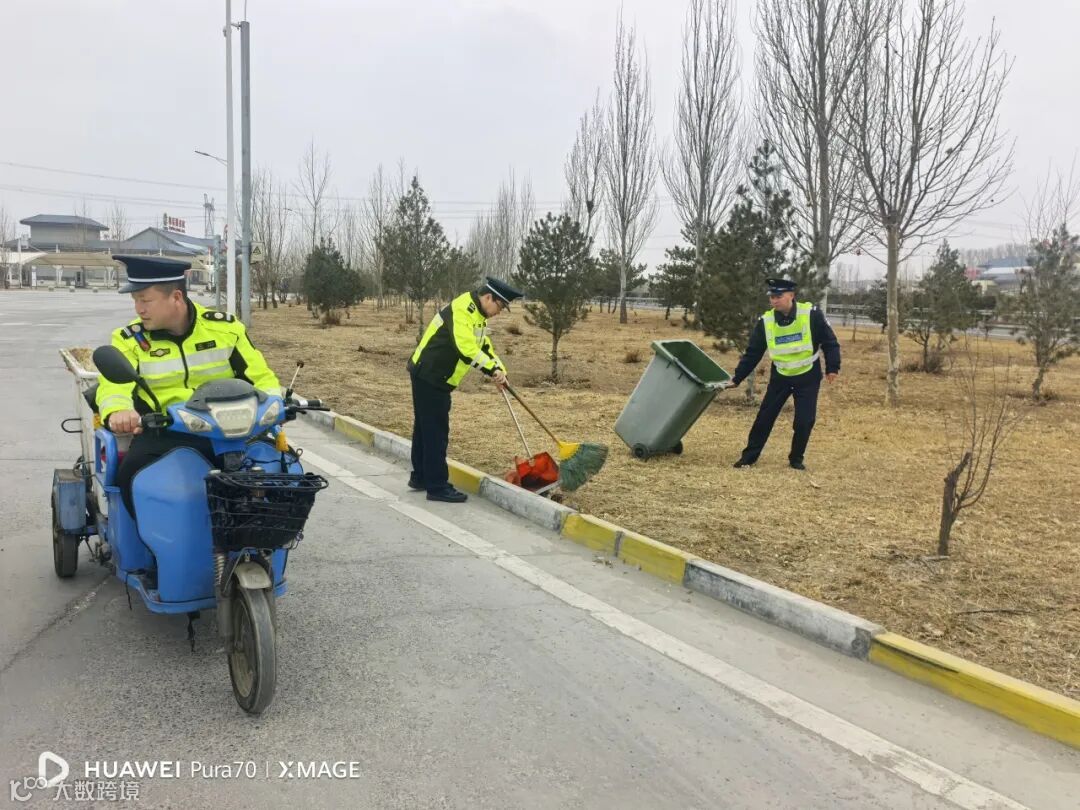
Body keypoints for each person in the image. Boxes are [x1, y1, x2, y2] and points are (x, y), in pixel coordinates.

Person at [96, 255, 281, 518]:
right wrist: (118, 411)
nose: (139, 309)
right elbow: (114, 386)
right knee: (132, 474)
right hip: (165, 432)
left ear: (176, 297)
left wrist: (275, 404)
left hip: (231, 431)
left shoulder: (225, 329)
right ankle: (155, 540)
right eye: (135, 301)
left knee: (277, 471)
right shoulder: (129, 339)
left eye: (145, 300)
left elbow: (261, 377)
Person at [406, 276, 522, 502]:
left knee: (425, 429)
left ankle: (420, 477)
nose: (499, 313)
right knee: (436, 433)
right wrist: (491, 370)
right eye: (499, 306)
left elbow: (483, 346)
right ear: (488, 297)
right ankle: (437, 486)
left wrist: (500, 370)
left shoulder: (478, 316)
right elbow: (466, 349)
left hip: (434, 375)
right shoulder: (462, 309)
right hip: (430, 375)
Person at [728, 278, 841, 470]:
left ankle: (796, 458)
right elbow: (753, 353)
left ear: (791, 295)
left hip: (807, 376)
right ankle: (748, 457)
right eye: (772, 297)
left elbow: (830, 342)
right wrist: (737, 378)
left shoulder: (811, 314)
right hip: (780, 376)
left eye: (778, 296)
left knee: (804, 421)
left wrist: (832, 367)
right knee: (764, 418)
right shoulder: (766, 321)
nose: (774, 300)